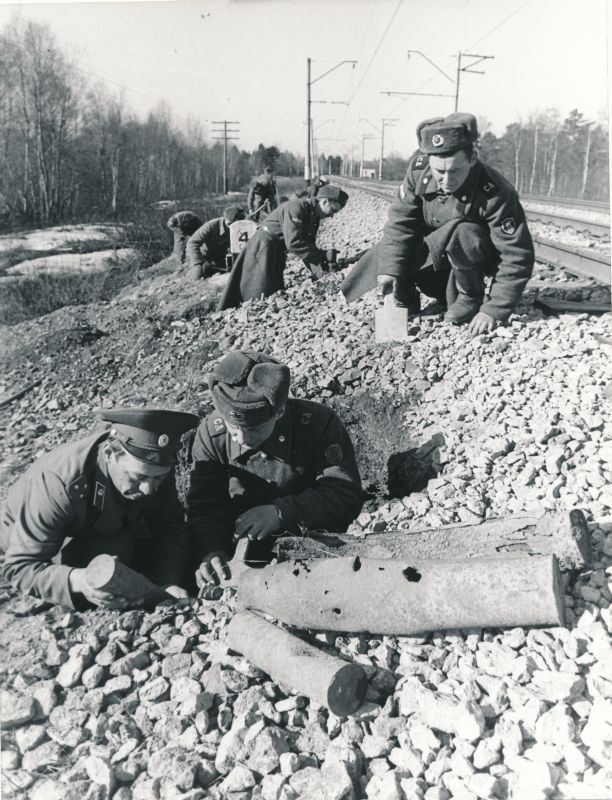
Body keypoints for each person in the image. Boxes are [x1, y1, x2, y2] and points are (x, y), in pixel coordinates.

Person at [342, 113, 535, 335]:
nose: (446, 179)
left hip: (471, 263)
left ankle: (469, 298)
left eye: (455, 171)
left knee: (464, 231)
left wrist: (493, 309)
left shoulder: (496, 192)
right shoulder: (418, 171)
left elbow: (516, 255)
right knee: (392, 249)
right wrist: (389, 271)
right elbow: (400, 225)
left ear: (472, 159)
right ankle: (404, 296)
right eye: (439, 171)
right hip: (438, 259)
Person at [186, 351, 363, 588]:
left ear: (279, 412)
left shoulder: (317, 423)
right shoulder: (211, 434)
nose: (241, 438)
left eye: (254, 429)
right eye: (233, 427)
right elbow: (205, 508)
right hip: (239, 549)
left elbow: (345, 494)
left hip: (312, 544)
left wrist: (282, 513)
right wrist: (211, 551)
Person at [0, 407, 199, 609]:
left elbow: (171, 527)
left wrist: (169, 581)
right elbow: (20, 567)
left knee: (139, 547)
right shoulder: (58, 483)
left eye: (159, 478)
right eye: (137, 478)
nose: (148, 489)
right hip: (34, 539)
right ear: (109, 453)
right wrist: (79, 579)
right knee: (113, 556)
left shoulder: (151, 468)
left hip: (106, 523)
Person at [217, 184, 349, 310]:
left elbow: (307, 247)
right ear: (325, 201)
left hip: (276, 250)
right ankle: (232, 314)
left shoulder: (314, 216)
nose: (332, 216)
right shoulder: (298, 207)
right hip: (263, 247)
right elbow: (294, 242)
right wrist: (323, 255)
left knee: (273, 291)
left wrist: (321, 273)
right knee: (256, 292)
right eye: (333, 210)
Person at [185, 205, 246, 281]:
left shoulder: (245, 227)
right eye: (231, 224)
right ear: (226, 220)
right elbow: (192, 243)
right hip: (207, 259)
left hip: (225, 259)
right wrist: (198, 262)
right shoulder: (212, 226)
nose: (234, 228)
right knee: (197, 279)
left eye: (238, 224)